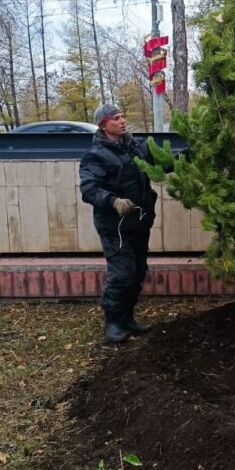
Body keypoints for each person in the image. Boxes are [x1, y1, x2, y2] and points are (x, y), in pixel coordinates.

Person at [79, 104, 158, 343]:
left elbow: (165, 163)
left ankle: (127, 318)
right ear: (104, 124)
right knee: (123, 274)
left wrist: (190, 153)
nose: (123, 121)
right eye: (116, 118)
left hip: (139, 222)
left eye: (123, 116)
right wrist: (113, 201)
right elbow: (89, 190)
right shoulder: (96, 155)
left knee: (138, 271)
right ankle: (113, 321)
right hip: (116, 227)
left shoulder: (137, 147)